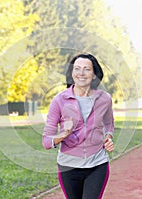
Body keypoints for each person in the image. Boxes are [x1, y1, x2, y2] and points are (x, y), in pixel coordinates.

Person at [42, 53, 114, 199]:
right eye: (77, 69)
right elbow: (46, 142)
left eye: (87, 69)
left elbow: (108, 123)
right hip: (68, 166)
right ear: (72, 73)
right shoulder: (59, 100)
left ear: (94, 75)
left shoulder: (104, 99)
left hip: (97, 163)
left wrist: (108, 136)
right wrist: (63, 135)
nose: (81, 73)